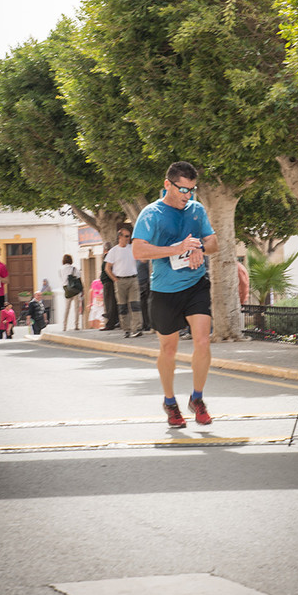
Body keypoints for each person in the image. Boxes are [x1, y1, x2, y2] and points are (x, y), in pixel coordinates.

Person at [132, 160, 219, 428]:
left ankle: (198, 398)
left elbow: (214, 242)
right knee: (168, 350)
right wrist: (177, 248)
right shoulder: (151, 213)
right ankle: (170, 402)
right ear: (167, 184)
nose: (187, 195)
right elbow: (138, 251)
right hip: (164, 290)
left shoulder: (196, 209)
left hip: (195, 284)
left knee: (202, 341)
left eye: (192, 190)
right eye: (182, 189)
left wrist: (199, 249)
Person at [105, 225, 143, 338]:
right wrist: (115, 280)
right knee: (122, 307)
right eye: (126, 236)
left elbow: (142, 258)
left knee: (135, 305)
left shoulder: (132, 248)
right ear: (119, 237)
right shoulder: (113, 251)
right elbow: (107, 268)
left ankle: (137, 328)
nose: (128, 238)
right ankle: (126, 329)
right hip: (120, 281)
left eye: (129, 237)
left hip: (133, 280)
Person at [60, 253, 83, 331]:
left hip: (67, 289)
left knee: (67, 308)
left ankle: (64, 326)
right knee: (76, 308)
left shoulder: (61, 269)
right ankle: (76, 325)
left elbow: (62, 279)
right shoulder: (74, 268)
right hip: (75, 290)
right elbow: (79, 277)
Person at [99, 242, 119, 331]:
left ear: (105, 250)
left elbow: (108, 270)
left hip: (108, 283)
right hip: (109, 282)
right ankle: (113, 321)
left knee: (109, 303)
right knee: (111, 303)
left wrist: (114, 279)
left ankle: (110, 323)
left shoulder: (108, 257)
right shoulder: (110, 257)